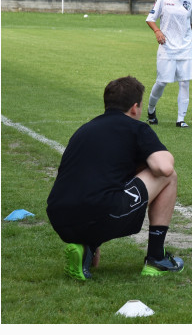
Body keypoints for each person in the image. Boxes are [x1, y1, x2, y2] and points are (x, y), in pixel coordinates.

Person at [47, 76, 184, 280]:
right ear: (135, 108)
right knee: (169, 176)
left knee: (105, 185)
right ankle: (156, 258)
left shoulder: (84, 129)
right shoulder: (136, 128)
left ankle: (87, 247)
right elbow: (164, 167)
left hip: (60, 217)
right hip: (100, 212)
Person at [146, 0, 192, 128]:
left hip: (186, 49)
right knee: (162, 82)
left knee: (185, 83)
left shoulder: (190, 1)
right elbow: (150, 19)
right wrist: (157, 31)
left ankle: (181, 119)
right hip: (167, 49)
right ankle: (151, 109)